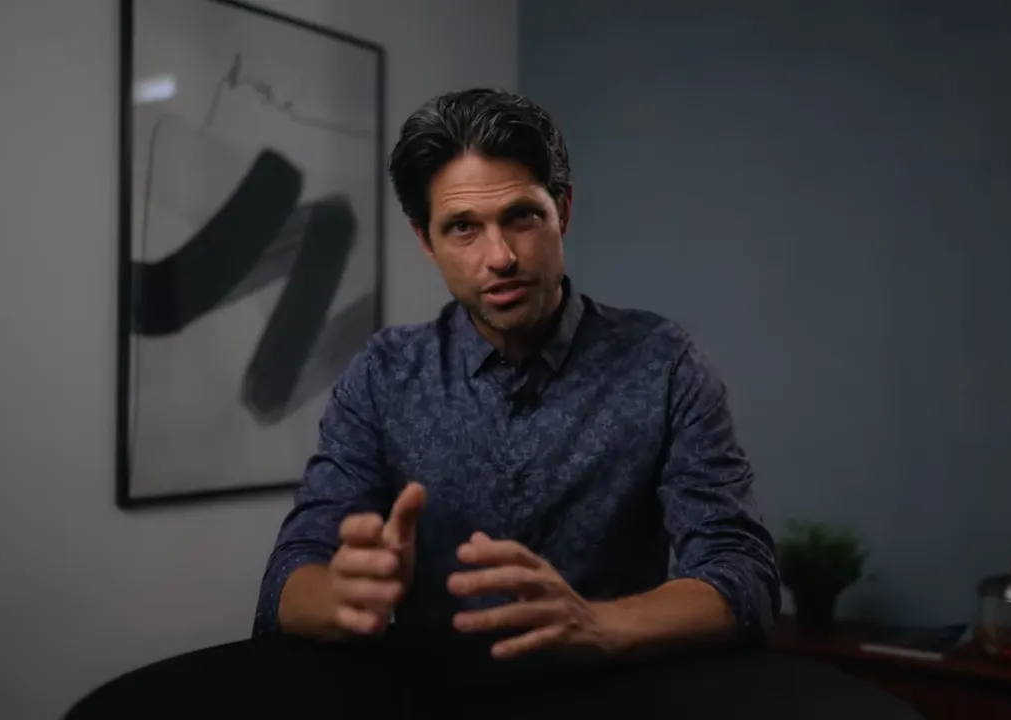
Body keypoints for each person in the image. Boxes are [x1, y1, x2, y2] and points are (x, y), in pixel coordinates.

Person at [252, 88, 781, 715]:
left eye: (522, 217)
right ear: (426, 240)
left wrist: (598, 624)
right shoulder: (383, 375)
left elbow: (742, 574)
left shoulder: (663, 364)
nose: (499, 258)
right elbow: (289, 577)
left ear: (563, 211)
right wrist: (341, 594)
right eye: (463, 228)